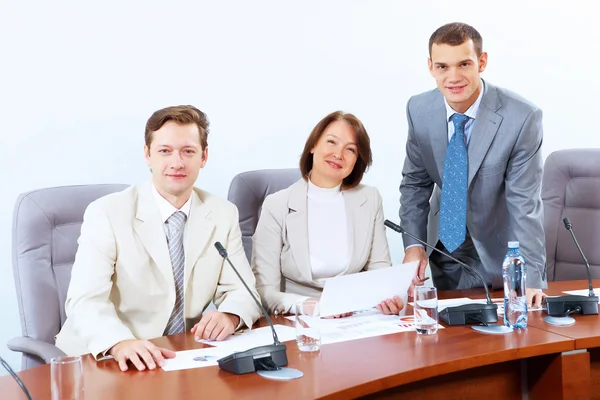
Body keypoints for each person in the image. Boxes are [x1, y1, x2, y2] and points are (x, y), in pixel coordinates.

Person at [55, 105, 261, 371]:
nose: (176, 162)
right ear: (147, 155)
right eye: (165, 151)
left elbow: (243, 290)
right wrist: (120, 343)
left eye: (188, 151)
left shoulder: (222, 213)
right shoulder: (107, 212)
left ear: (204, 156)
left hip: (177, 357)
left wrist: (231, 315)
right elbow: (84, 301)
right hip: (104, 356)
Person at [399, 22, 547, 307]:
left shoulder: (521, 118)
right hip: (444, 251)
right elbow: (415, 185)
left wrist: (529, 278)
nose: (453, 77)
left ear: (482, 62)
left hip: (499, 254)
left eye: (464, 64)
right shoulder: (418, 109)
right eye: (442, 66)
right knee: (450, 341)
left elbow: (525, 204)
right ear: (430, 67)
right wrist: (414, 244)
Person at [252, 111, 404, 316]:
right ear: (313, 145)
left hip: (355, 317)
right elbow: (263, 290)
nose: (339, 154)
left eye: (350, 149)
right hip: (298, 321)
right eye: (331, 142)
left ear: (357, 160)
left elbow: (379, 269)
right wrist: (308, 305)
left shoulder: (369, 198)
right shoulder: (277, 204)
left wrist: (387, 297)